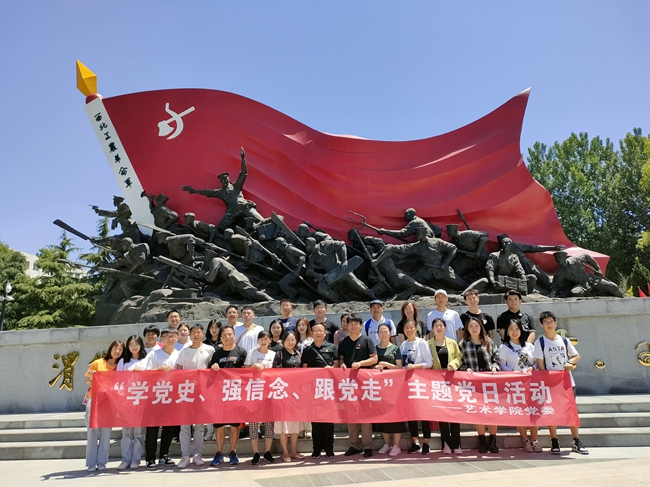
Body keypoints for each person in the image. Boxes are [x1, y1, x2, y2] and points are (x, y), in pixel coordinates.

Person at [534, 311, 588, 455]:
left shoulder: (564, 340)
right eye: (546, 322)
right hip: (551, 383)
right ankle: (554, 440)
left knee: (571, 410)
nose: (549, 324)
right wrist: (548, 380)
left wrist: (570, 362)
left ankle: (576, 440)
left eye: (551, 321)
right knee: (551, 410)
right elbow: (540, 365)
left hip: (567, 381)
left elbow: (576, 356)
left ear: (556, 323)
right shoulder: (540, 342)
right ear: (542, 325)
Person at [182, 147, 265, 231]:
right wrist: (194, 191)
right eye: (222, 180)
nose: (224, 181)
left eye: (226, 179)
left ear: (228, 179)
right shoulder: (220, 192)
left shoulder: (236, 186)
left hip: (244, 207)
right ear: (221, 181)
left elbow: (244, 173)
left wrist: (243, 159)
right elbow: (207, 192)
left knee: (262, 220)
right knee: (220, 228)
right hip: (232, 212)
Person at [176, 324, 215, 469]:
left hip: (202, 392)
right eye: (194, 332)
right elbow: (179, 371)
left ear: (203, 334)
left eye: (199, 332)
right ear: (190, 334)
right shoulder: (184, 351)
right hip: (186, 392)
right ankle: (185, 455)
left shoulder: (209, 350)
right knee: (185, 426)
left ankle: (197, 454)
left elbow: (213, 369)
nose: (196, 335)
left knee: (199, 426)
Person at [459, 317, 500, 454]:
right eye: (471, 326)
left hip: (489, 382)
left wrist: (495, 367)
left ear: (481, 327)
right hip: (474, 382)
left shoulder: (488, 341)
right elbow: (460, 360)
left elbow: (496, 357)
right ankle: (482, 440)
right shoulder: (464, 343)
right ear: (467, 329)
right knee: (479, 411)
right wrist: (465, 368)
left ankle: (493, 440)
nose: (474, 329)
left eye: (476, 326)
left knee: (492, 411)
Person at [339, 312, 378, 457]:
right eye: (351, 323)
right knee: (351, 416)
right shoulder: (343, 342)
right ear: (347, 325)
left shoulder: (367, 340)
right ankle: (354, 445)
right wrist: (342, 364)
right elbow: (341, 359)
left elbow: (374, 359)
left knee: (366, 415)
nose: (353, 325)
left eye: (356, 323)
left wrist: (360, 363)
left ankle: (367, 446)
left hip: (364, 383)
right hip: (349, 383)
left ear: (361, 325)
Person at [498, 319, 541, 453]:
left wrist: (533, 368)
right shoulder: (504, 348)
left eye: (517, 329)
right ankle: (525, 439)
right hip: (514, 385)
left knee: (533, 411)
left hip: (530, 384)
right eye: (511, 329)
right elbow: (502, 365)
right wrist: (513, 372)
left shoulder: (529, 346)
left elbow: (536, 362)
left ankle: (534, 439)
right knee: (519, 411)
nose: (514, 332)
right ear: (507, 332)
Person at [209, 325, 248, 466]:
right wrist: (213, 368)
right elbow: (210, 373)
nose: (227, 337)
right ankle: (219, 453)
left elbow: (246, 372)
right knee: (219, 426)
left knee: (234, 426)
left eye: (230, 334)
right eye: (224, 335)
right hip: (220, 395)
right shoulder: (217, 354)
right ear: (220, 338)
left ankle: (233, 452)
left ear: (234, 335)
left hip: (235, 394)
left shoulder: (241, 352)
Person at [143, 327, 181, 469]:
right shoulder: (154, 354)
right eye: (167, 336)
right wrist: (158, 370)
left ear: (177, 338)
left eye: (173, 336)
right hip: (155, 395)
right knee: (152, 428)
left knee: (169, 428)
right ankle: (150, 458)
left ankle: (164, 455)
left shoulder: (179, 354)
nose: (170, 339)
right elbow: (145, 373)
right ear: (162, 339)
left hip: (171, 396)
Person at [84, 339, 124, 471]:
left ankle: (102, 462)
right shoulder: (97, 363)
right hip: (95, 400)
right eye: (115, 348)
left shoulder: (120, 366)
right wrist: (91, 377)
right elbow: (88, 382)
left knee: (106, 433)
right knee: (92, 432)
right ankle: (91, 463)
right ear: (110, 348)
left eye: (120, 349)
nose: (117, 351)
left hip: (110, 402)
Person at [301, 322, 339, 458]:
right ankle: (316, 449)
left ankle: (329, 448)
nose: (318, 333)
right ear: (311, 333)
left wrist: (332, 369)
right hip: (314, 389)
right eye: (315, 330)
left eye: (320, 330)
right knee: (316, 420)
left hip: (328, 388)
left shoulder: (332, 347)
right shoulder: (307, 349)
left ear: (325, 333)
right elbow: (304, 369)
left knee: (328, 420)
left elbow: (337, 365)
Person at [428, 318, 463, 454]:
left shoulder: (452, 343)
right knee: (442, 413)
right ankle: (446, 444)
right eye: (436, 325)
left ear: (445, 328)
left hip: (451, 381)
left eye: (441, 325)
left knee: (454, 412)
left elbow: (459, 358)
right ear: (432, 328)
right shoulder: (428, 344)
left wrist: (452, 365)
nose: (438, 328)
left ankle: (457, 444)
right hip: (436, 383)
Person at [400, 319, 434, 455]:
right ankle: (415, 442)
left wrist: (415, 366)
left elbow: (429, 362)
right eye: (406, 328)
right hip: (407, 384)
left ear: (416, 328)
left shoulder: (422, 343)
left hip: (421, 382)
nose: (409, 330)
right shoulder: (403, 345)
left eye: (411, 327)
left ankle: (426, 443)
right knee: (411, 414)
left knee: (424, 414)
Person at [244, 330, 277, 465]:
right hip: (254, 392)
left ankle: (267, 451)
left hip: (269, 393)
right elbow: (244, 371)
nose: (263, 341)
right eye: (261, 339)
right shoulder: (252, 353)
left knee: (269, 423)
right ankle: (256, 453)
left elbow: (278, 372)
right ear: (258, 340)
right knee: (253, 423)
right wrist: (253, 367)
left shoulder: (273, 354)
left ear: (270, 340)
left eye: (266, 338)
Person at [273, 330, 305, 462]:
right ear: (283, 341)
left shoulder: (298, 353)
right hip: (283, 393)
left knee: (295, 423)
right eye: (288, 340)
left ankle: (293, 450)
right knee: (283, 423)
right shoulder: (279, 354)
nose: (290, 342)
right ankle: (285, 452)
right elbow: (277, 371)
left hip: (296, 394)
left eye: (293, 340)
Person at [116, 336, 147, 470]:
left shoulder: (146, 360)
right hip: (127, 400)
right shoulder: (123, 361)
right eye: (131, 345)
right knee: (127, 432)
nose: (134, 347)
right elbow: (117, 380)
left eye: (136, 344)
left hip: (141, 399)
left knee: (138, 433)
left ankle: (136, 459)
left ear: (141, 345)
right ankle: (125, 459)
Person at [374, 323, 404, 456]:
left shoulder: (395, 348)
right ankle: (386, 444)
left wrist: (386, 365)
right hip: (380, 388)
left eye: (385, 331)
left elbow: (399, 367)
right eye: (381, 332)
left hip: (394, 387)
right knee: (383, 416)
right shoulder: (375, 349)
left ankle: (397, 445)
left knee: (396, 416)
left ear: (390, 333)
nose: (383, 334)